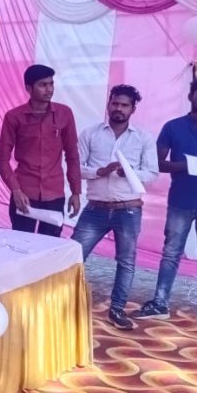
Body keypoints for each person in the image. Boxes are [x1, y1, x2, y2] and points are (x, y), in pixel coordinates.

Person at [132, 77, 197, 331]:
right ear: (191, 95)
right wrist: (189, 165)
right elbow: (157, 164)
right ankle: (160, 303)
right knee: (171, 253)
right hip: (181, 201)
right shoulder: (173, 127)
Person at [71, 85, 159, 330]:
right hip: (95, 209)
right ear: (109, 104)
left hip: (128, 209)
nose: (119, 108)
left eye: (124, 105)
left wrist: (128, 173)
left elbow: (152, 174)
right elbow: (76, 168)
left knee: (126, 262)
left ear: (133, 109)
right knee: (73, 256)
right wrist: (100, 171)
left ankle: (117, 309)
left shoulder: (143, 138)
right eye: (115, 103)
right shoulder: (91, 134)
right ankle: (66, 304)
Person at [0, 64, 81, 235]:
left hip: (54, 194)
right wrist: (15, 190)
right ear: (29, 88)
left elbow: (72, 155)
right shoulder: (14, 117)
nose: (49, 89)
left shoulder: (64, 113)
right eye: (43, 85)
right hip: (24, 194)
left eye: (51, 84)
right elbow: (2, 159)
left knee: (51, 246)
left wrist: (76, 192)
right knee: (21, 244)